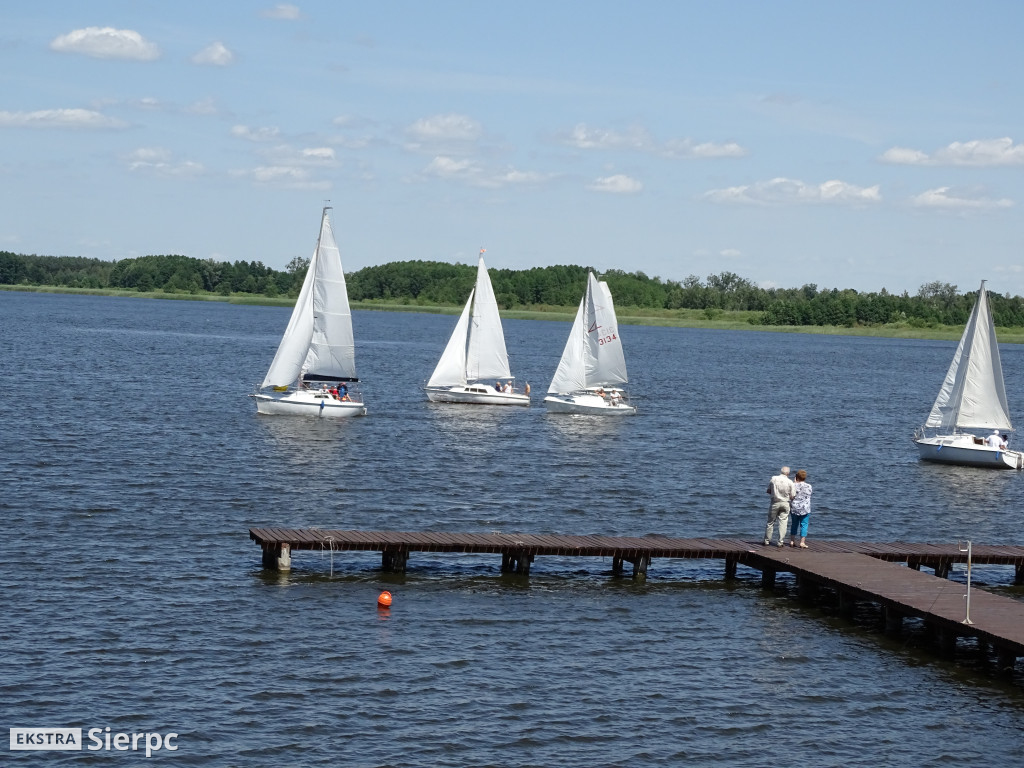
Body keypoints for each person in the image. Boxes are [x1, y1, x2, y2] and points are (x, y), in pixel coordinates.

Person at [764, 466, 795, 547]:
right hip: (785, 503)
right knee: (783, 522)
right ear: (788, 473)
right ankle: (780, 542)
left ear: (781, 471)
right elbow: (792, 496)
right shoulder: (790, 482)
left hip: (775, 502)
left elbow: (768, 491)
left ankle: (767, 541)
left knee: (770, 522)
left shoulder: (773, 479)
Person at [788, 469, 813, 548]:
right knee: (804, 525)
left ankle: (792, 541)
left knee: (794, 524)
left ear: (796, 477)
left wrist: (794, 483)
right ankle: (802, 542)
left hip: (794, 508)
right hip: (805, 508)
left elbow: (790, 495)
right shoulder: (809, 486)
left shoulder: (793, 485)